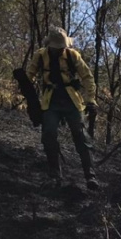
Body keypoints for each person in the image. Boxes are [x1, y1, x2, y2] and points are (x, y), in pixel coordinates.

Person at [25, 27, 99, 190]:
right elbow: (28, 76)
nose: (60, 50)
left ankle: (90, 176)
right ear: (50, 45)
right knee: (49, 134)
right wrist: (27, 97)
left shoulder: (73, 55)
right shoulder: (40, 55)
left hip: (72, 100)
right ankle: (55, 174)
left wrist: (91, 100)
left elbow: (87, 78)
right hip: (50, 101)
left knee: (80, 136)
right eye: (57, 47)